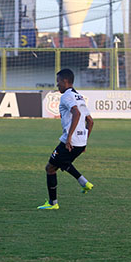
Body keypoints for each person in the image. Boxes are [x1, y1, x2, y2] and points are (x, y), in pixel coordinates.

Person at [37, 68, 93, 210]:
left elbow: (76, 113)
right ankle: (84, 182)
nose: (57, 85)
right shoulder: (79, 96)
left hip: (71, 141)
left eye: (58, 82)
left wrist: (69, 138)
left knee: (50, 168)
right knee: (62, 162)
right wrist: (85, 141)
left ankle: (52, 203)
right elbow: (90, 121)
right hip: (81, 142)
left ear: (65, 81)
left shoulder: (67, 96)